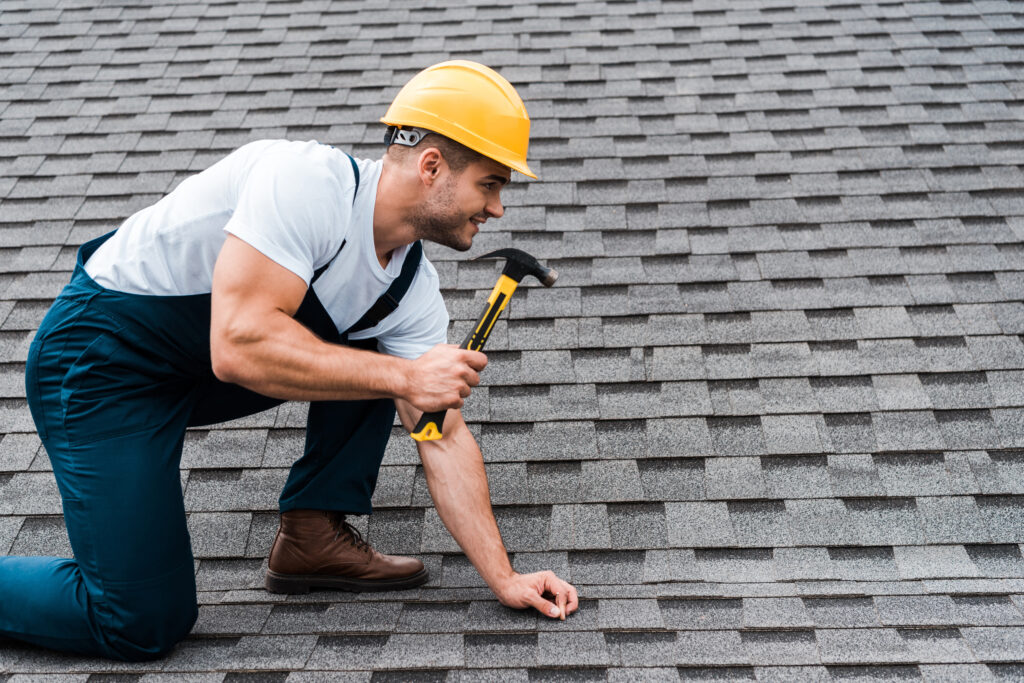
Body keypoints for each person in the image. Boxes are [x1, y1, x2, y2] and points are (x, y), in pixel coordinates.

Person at [2, 60, 579, 662]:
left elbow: (441, 435)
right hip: (99, 365)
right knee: (140, 620)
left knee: (378, 347)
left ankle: (312, 535)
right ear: (432, 165)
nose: (498, 209)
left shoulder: (411, 289)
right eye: (490, 183)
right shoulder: (303, 183)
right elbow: (239, 344)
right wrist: (408, 376)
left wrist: (504, 577)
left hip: (194, 371)